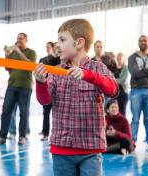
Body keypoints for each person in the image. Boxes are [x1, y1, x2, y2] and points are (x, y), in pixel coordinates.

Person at [34, 19, 118, 176]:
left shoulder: (97, 68)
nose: (57, 45)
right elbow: (45, 100)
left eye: (62, 40)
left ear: (79, 43)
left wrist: (89, 76)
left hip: (91, 149)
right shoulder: (55, 71)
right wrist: (40, 82)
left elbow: (113, 89)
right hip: (61, 148)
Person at [0, 33, 36, 145]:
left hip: (25, 87)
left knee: (23, 113)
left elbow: (31, 66)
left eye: (21, 38)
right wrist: (6, 55)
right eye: (17, 38)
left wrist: (18, 52)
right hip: (12, 85)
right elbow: (7, 68)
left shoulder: (31, 52)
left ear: (26, 40)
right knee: (6, 111)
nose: (18, 40)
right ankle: (2, 136)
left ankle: (22, 137)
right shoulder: (13, 53)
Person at [39, 41, 60, 141]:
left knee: (59, 113)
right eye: (46, 47)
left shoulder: (60, 59)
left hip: (59, 89)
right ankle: (45, 133)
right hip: (48, 87)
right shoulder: (43, 59)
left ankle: (57, 134)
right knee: (46, 112)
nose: (47, 48)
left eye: (49, 47)